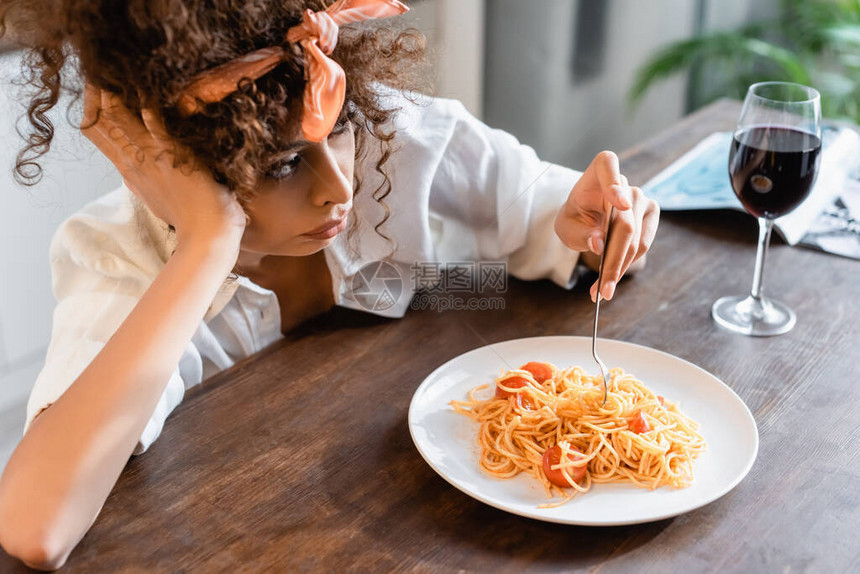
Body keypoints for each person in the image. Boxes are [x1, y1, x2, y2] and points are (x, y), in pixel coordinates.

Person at [0, 0, 659, 569]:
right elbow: (36, 527)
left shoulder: (390, 133)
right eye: (284, 163)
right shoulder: (116, 254)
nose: (339, 188)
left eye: (336, 130)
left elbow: (534, 204)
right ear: (172, 166)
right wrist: (205, 245)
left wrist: (586, 220)